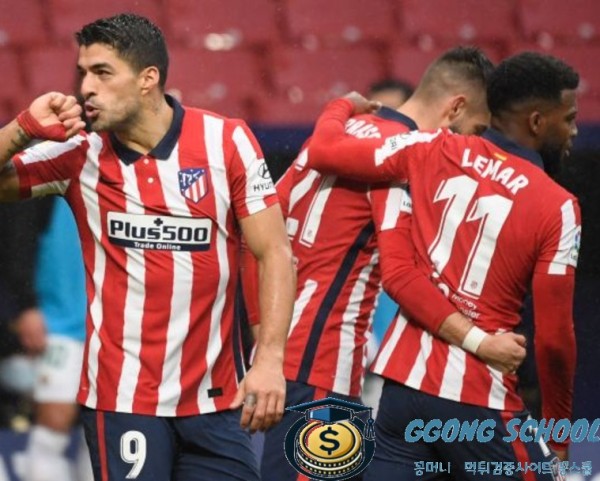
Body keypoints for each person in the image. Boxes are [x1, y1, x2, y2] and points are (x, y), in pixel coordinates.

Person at [0, 13, 295, 481]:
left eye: (102, 72)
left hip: (217, 401)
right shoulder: (79, 154)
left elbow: (274, 251)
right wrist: (21, 129)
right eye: (83, 73)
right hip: (123, 402)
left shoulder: (226, 142)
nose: (86, 88)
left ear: (147, 79)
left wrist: (271, 360)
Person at [246, 47, 527, 481]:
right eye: (474, 130)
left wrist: (263, 336)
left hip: (281, 357)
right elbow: (401, 277)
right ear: (455, 108)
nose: (469, 146)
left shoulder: (340, 132)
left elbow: (255, 239)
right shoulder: (408, 159)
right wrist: (479, 342)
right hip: (325, 365)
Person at [307, 51, 580, 479]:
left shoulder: (428, 146)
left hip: (400, 393)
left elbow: (324, 151)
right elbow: (554, 339)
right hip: (478, 398)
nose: (574, 130)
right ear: (536, 121)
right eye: (569, 119)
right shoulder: (558, 206)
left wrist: (339, 106)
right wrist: (559, 433)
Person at [19, 196, 93, 481]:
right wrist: (25, 306)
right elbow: (16, 242)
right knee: (53, 425)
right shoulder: (45, 182)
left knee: (104, 431)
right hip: (60, 324)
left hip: (114, 327)